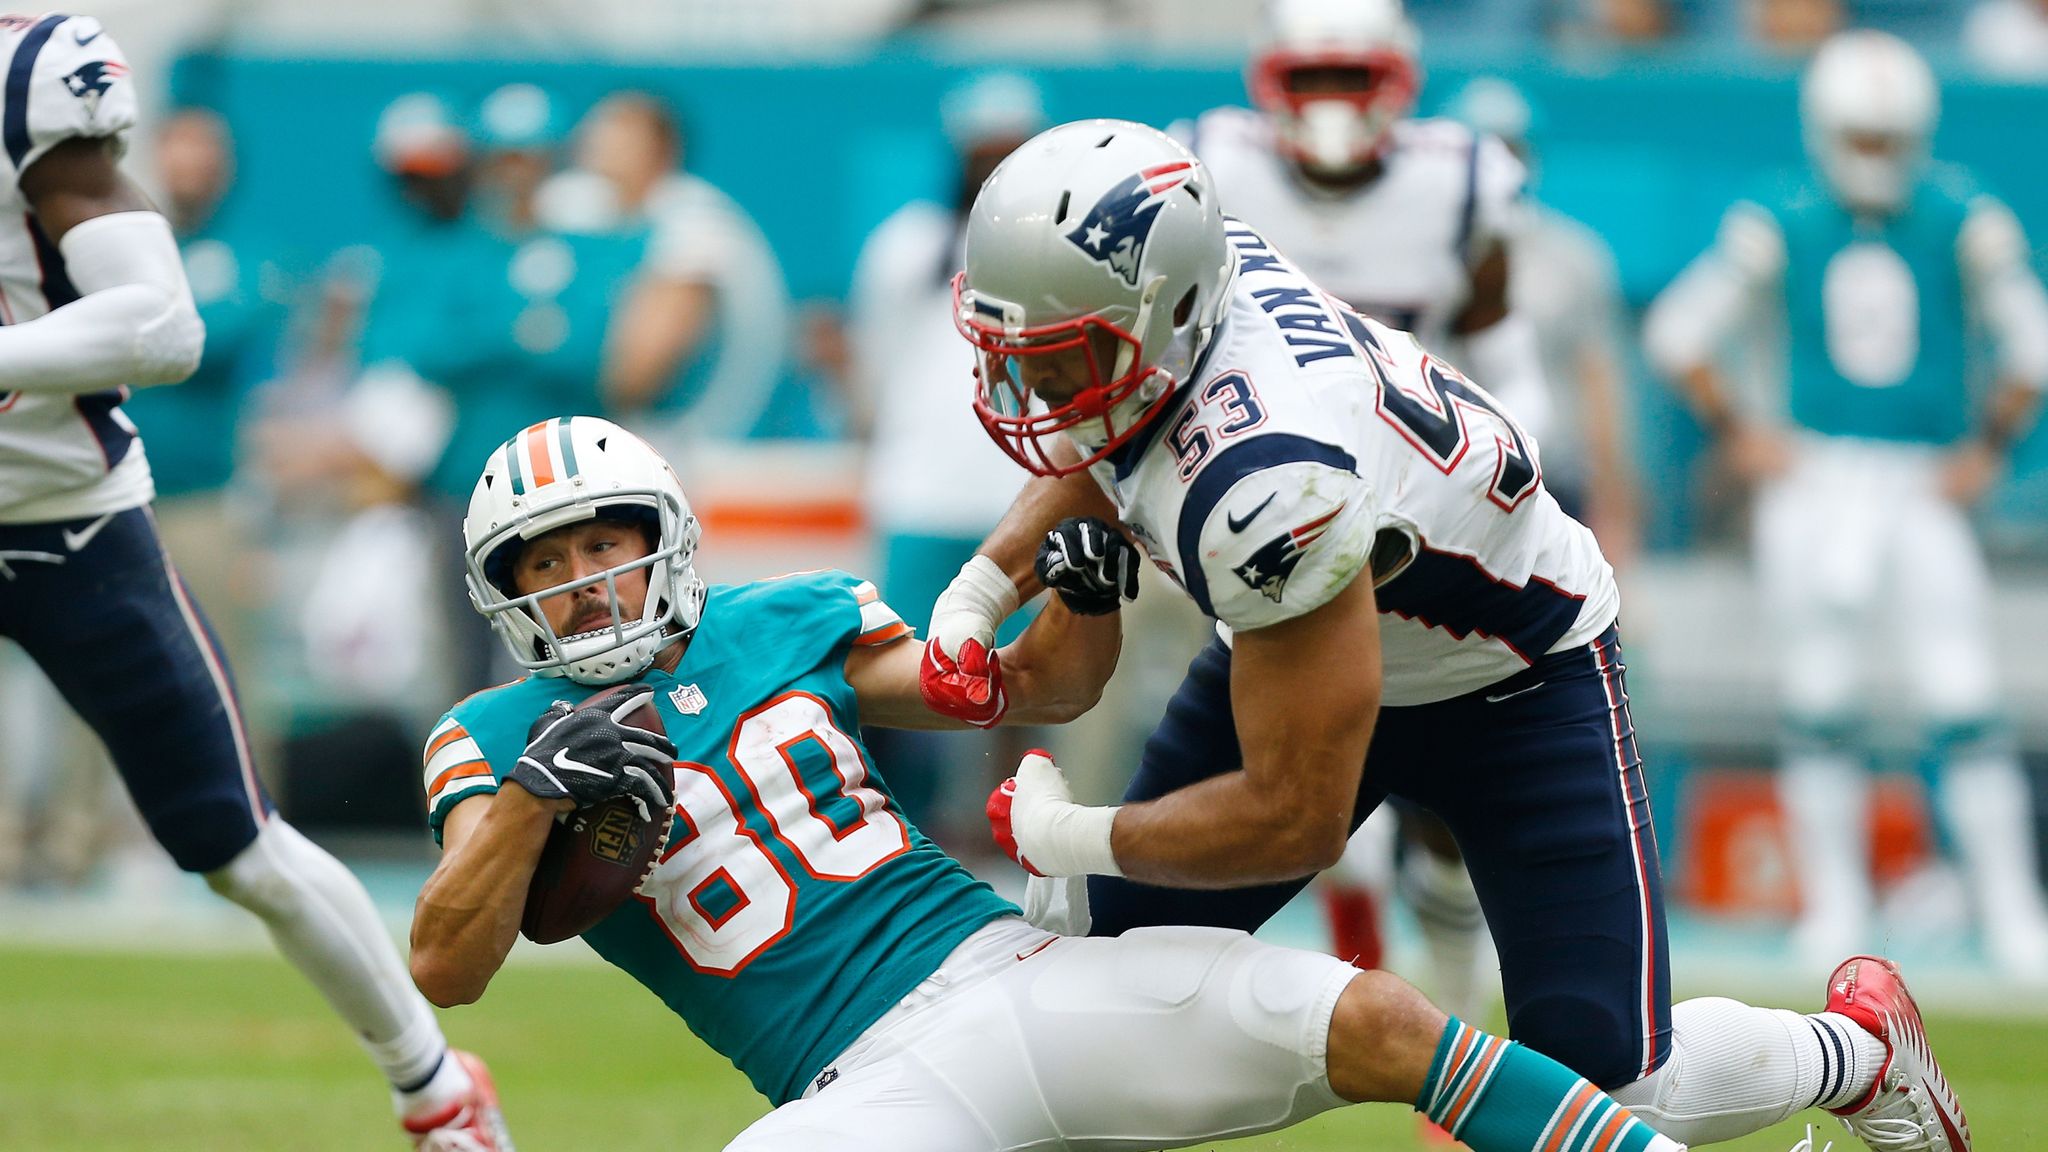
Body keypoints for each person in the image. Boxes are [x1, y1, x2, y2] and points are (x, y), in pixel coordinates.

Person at [919, 117, 1973, 1151]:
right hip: (1322, 623)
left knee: (1611, 1094)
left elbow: (1293, 821)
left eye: (1055, 357)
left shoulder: (1268, 477)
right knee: (1086, 973)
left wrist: (1071, 834)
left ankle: (1859, 1051)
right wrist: (975, 590)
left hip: (1512, 675)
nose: (1029, 390)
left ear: (1170, 314)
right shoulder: (1186, 309)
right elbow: (1104, 435)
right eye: (1013, 353)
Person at [410, 414, 1692, 1152]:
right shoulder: (491, 732)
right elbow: (446, 966)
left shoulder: (784, 617)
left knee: (1381, 1022)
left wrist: (1083, 599)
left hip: (1013, 972)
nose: (581, 579)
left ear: (663, 545)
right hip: (862, 1087)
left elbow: (1028, 689)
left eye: (603, 546)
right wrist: (534, 792)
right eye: (546, 563)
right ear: (503, 591)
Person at [0, 15, 509, 1150]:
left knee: (240, 850)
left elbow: (166, 327)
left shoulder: (28, 78)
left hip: (66, 523)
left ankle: (433, 1089)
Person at [1643, 30, 2048, 982]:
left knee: (1963, 695)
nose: (1872, 159)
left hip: (1915, 481)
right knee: (1818, 696)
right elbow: (1680, 332)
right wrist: (1744, 434)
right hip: (1818, 478)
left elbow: (2032, 341)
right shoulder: (1781, 217)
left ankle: (2012, 913)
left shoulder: (1959, 216)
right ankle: (1838, 912)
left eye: (1885, 138)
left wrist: (1988, 447)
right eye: (1858, 138)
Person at [1178, 0, 1548, 1026]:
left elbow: (1503, 351)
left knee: (1435, 802)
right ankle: (1370, 974)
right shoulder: (1206, 167)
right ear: (1268, 80)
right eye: (1311, 79)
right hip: (1265, 514)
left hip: (1425, 510)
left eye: (1350, 78)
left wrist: (1513, 484)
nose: (1331, 106)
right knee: (1306, 765)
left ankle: (1451, 999)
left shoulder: (1461, 183)